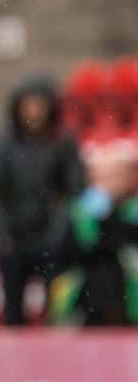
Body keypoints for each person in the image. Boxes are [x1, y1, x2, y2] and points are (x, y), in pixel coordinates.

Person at [0, 76, 86, 326]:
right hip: (15, 234)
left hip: (52, 235)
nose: (34, 112)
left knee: (57, 306)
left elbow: (74, 188)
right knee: (13, 306)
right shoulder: (6, 145)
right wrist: (2, 230)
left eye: (39, 105)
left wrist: (59, 228)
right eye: (28, 105)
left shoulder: (63, 142)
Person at [52, 140, 138, 327]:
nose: (112, 183)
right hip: (89, 300)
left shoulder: (133, 210)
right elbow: (66, 255)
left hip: (129, 298)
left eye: (117, 175)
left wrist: (110, 218)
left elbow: (125, 244)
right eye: (105, 176)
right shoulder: (80, 212)